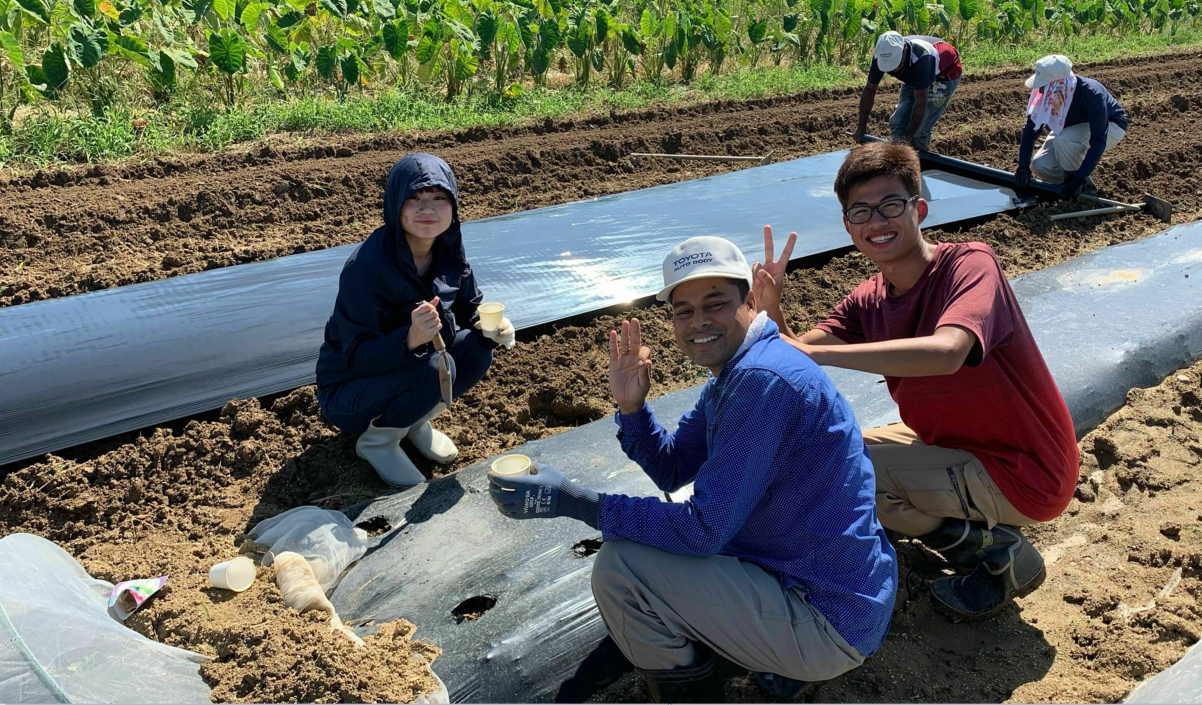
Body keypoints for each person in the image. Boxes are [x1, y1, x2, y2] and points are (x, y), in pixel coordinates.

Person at [488, 237, 896, 703]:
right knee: (665, 527)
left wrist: (572, 501)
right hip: (828, 583)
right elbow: (673, 468)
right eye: (683, 311)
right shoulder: (739, 371)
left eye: (715, 303)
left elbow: (704, 530)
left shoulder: (763, 382)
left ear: (749, 301)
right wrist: (632, 407)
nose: (698, 322)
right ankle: (759, 653)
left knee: (622, 568)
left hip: (825, 616)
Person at [752, 141, 1079, 622]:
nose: (875, 222)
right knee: (817, 456)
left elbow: (947, 352)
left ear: (919, 209)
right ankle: (947, 524)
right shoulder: (869, 298)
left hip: (1023, 471)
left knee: (843, 476)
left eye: (890, 206)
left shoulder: (969, 264)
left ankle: (996, 553)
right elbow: (799, 353)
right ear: (847, 226)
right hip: (947, 444)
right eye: (860, 211)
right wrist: (771, 310)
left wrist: (811, 349)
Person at [316, 153, 516, 487]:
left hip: (411, 371)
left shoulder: (449, 251)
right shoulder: (366, 269)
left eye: (439, 198)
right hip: (349, 392)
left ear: (453, 207)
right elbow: (356, 357)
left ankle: (413, 421)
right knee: (437, 367)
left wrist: (490, 326)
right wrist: (409, 338)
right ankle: (377, 442)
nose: (428, 209)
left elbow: (469, 307)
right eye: (414, 198)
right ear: (395, 205)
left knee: (478, 349)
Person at [1015, 54, 1129, 199]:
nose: (1040, 91)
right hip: (1069, 129)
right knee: (1040, 165)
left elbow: (1099, 140)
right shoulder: (1048, 94)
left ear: (1058, 83)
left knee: (1063, 140)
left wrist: (1079, 178)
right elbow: (1031, 130)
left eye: (1044, 86)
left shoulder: (1091, 93)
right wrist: (1023, 166)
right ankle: (1069, 184)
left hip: (1111, 126)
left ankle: (1084, 187)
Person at [853, 30, 964, 151]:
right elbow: (869, 90)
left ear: (904, 49)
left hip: (944, 74)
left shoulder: (923, 57)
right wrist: (861, 126)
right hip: (914, 74)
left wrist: (907, 138)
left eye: (895, 63)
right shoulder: (881, 56)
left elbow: (920, 102)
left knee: (919, 132)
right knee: (897, 122)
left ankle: (919, 162)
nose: (893, 69)